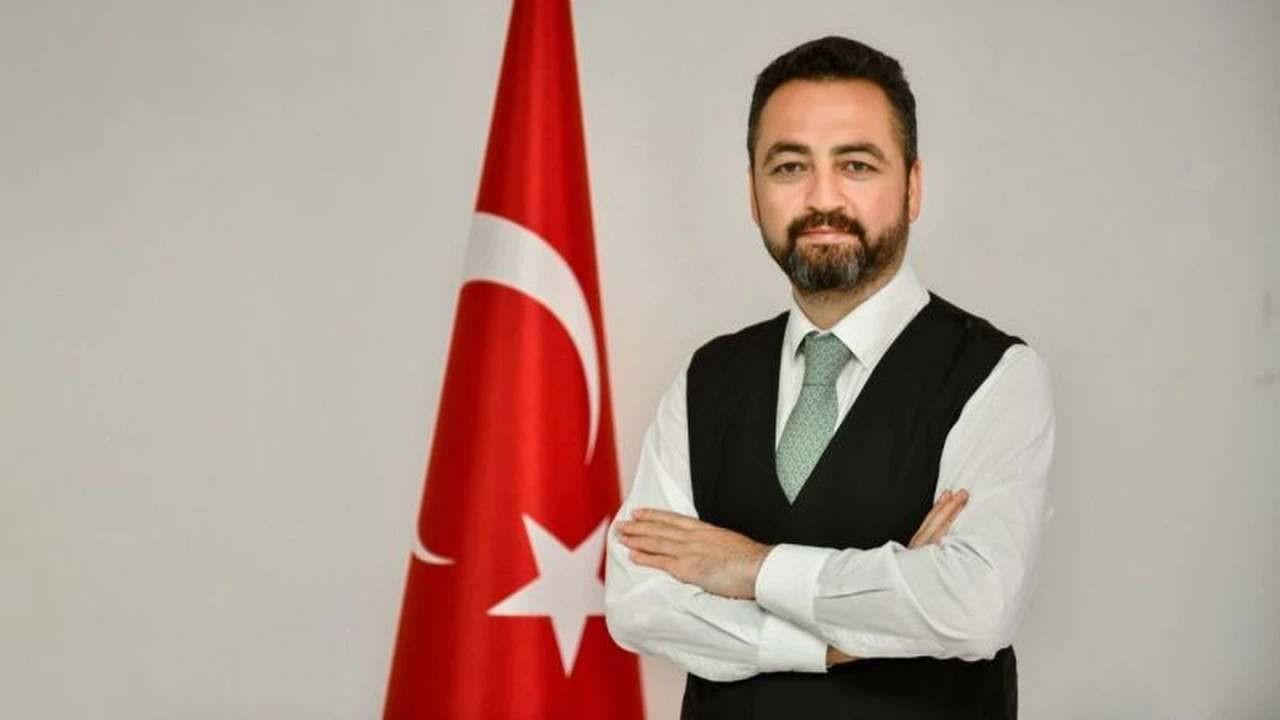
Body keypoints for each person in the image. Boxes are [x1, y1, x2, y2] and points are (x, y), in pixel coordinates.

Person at [603, 36, 1055, 719]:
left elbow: (972, 606)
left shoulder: (997, 375)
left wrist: (746, 568)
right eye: (789, 166)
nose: (822, 197)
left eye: (856, 164)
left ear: (913, 187)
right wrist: (837, 641)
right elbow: (639, 605)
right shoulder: (705, 380)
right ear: (753, 193)